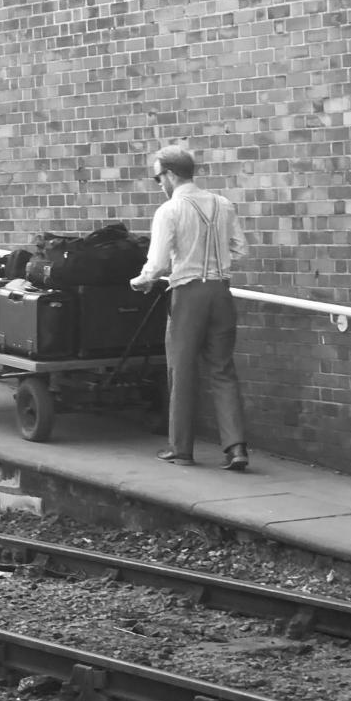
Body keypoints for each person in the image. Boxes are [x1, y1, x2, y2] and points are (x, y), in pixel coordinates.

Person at [130, 146, 249, 469]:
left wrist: (141, 280)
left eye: (158, 178)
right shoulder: (223, 204)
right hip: (222, 292)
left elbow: (155, 263)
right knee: (223, 369)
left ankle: (181, 448)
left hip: (188, 294)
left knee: (181, 370)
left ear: (169, 174)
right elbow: (241, 248)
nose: (159, 185)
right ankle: (236, 448)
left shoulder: (169, 210)